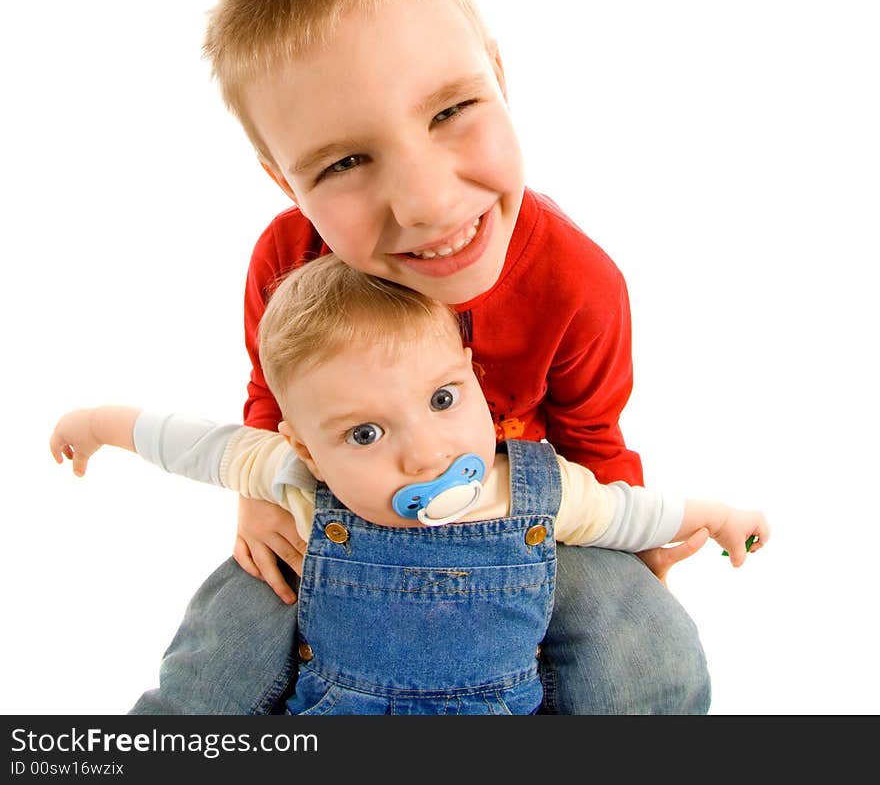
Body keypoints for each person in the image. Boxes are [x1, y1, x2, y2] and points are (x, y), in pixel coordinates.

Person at [113, 0, 714, 715]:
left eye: (450, 111)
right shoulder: (287, 263)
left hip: (518, 513)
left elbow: (593, 437)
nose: (429, 203)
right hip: (344, 505)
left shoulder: (577, 281)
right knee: (225, 645)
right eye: (347, 162)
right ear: (287, 183)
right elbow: (273, 400)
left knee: (647, 656)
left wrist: (631, 544)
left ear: (498, 76)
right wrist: (258, 490)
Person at [50, 256, 768, 715]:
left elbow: (630, 513)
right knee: (225, 626)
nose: (425, 453)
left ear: (472, 372)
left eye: (444, 399)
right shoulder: (294, 479)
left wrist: (717, 514)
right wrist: (95, 423)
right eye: (365, 434)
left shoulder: (537, 490)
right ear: (308, 446)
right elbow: (187, 441)